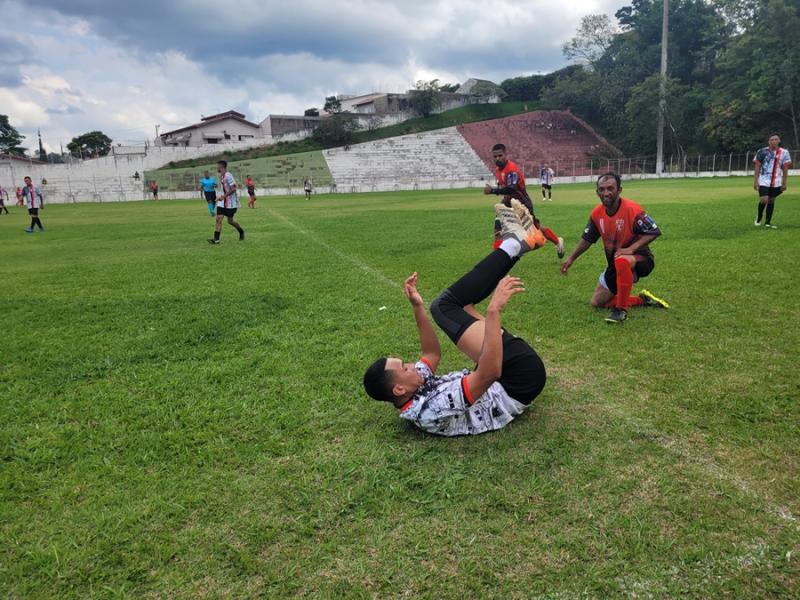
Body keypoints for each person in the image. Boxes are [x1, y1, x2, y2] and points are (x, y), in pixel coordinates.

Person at [363, 201, 547, 436]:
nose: (411, 365)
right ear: (399, 389)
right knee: (445, 307)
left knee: (452, 305)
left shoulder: (412, 387)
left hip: (510, 371)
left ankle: (518, 244)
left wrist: (418, 307)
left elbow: (431, 354)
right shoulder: (430, 409)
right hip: (519, 377)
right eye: (405, 367)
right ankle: (515, 243)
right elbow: (490, 372)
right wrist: (493, 313)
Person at [560, 172, 669, 324]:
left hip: (641, 260)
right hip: (616, 264)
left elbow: (654, 231)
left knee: (622, 260)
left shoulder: (632, 210)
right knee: (597, 303)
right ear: (597, 192)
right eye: (602, 189)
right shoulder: (597, 214)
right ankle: (642, 300)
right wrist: (571, 258)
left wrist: (631, 249)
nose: (606, 193)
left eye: (610, 188)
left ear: (619, 190)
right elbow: (587, 239)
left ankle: (621, 311)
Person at [484, 143, 565, 259]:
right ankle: (497, 261)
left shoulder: (511, 169)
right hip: (507, 202)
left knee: (536, 228)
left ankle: (558, 241)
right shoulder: (498, 169)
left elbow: (511, 188)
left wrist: (492, 190)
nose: (497, 159)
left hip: (521, 203)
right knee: (497, 229)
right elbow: (504, 186)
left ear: (506, 155)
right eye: (495, 157)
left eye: (500, 156)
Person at [753, 133, 792, 228]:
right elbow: (757, 166)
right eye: (772, 139)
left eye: (776, 139)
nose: (774, 141)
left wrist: (784, 182)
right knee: (763, 200)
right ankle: (759, 217)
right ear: (769, 141)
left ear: (779, 141)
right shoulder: (761, 151)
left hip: (777, 180)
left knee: (771, 200)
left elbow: (785, 168)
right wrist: (756, 180)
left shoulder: (784, 152)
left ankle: (767, 222)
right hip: (764, 179)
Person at [208, 160, 245, 244]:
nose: (216, 168)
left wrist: (223, 196)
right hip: (222, 202)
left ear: (221, 167)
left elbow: (233, 189)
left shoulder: (228, 176)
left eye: (217, 166)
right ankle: (216, 239)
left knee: (230, 221)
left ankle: (241, 231)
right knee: (218, 219)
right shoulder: (222, 176)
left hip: (230, 203)